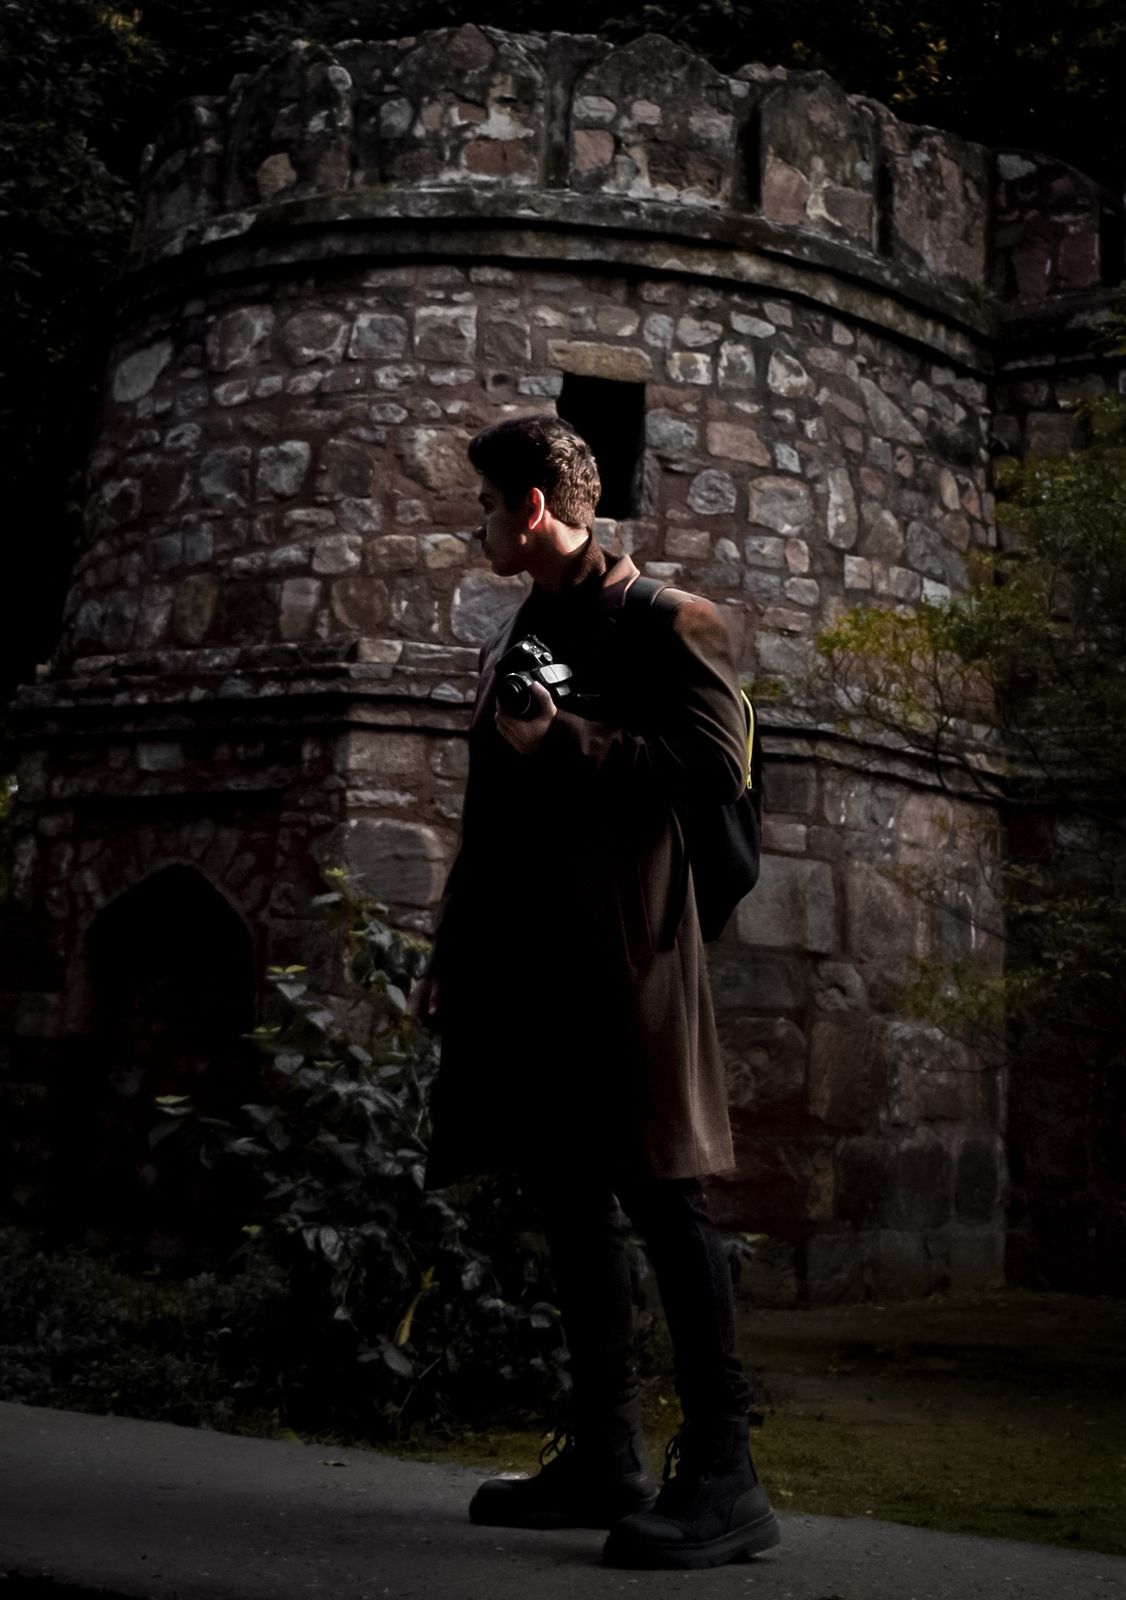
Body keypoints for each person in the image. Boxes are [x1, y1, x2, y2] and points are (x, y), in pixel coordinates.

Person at [408, 415, 780, 1571]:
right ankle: (606, 1453)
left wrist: (566, 739)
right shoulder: (525, 622)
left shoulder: (674, 620)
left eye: (484, 505)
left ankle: (726, 1475)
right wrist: (455, 946)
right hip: (534, 961)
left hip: (632, 956)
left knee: (665, 1197)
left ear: (528, 506)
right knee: (568, 1194)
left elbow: (717, 767)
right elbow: (496, 805)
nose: (476, 525)